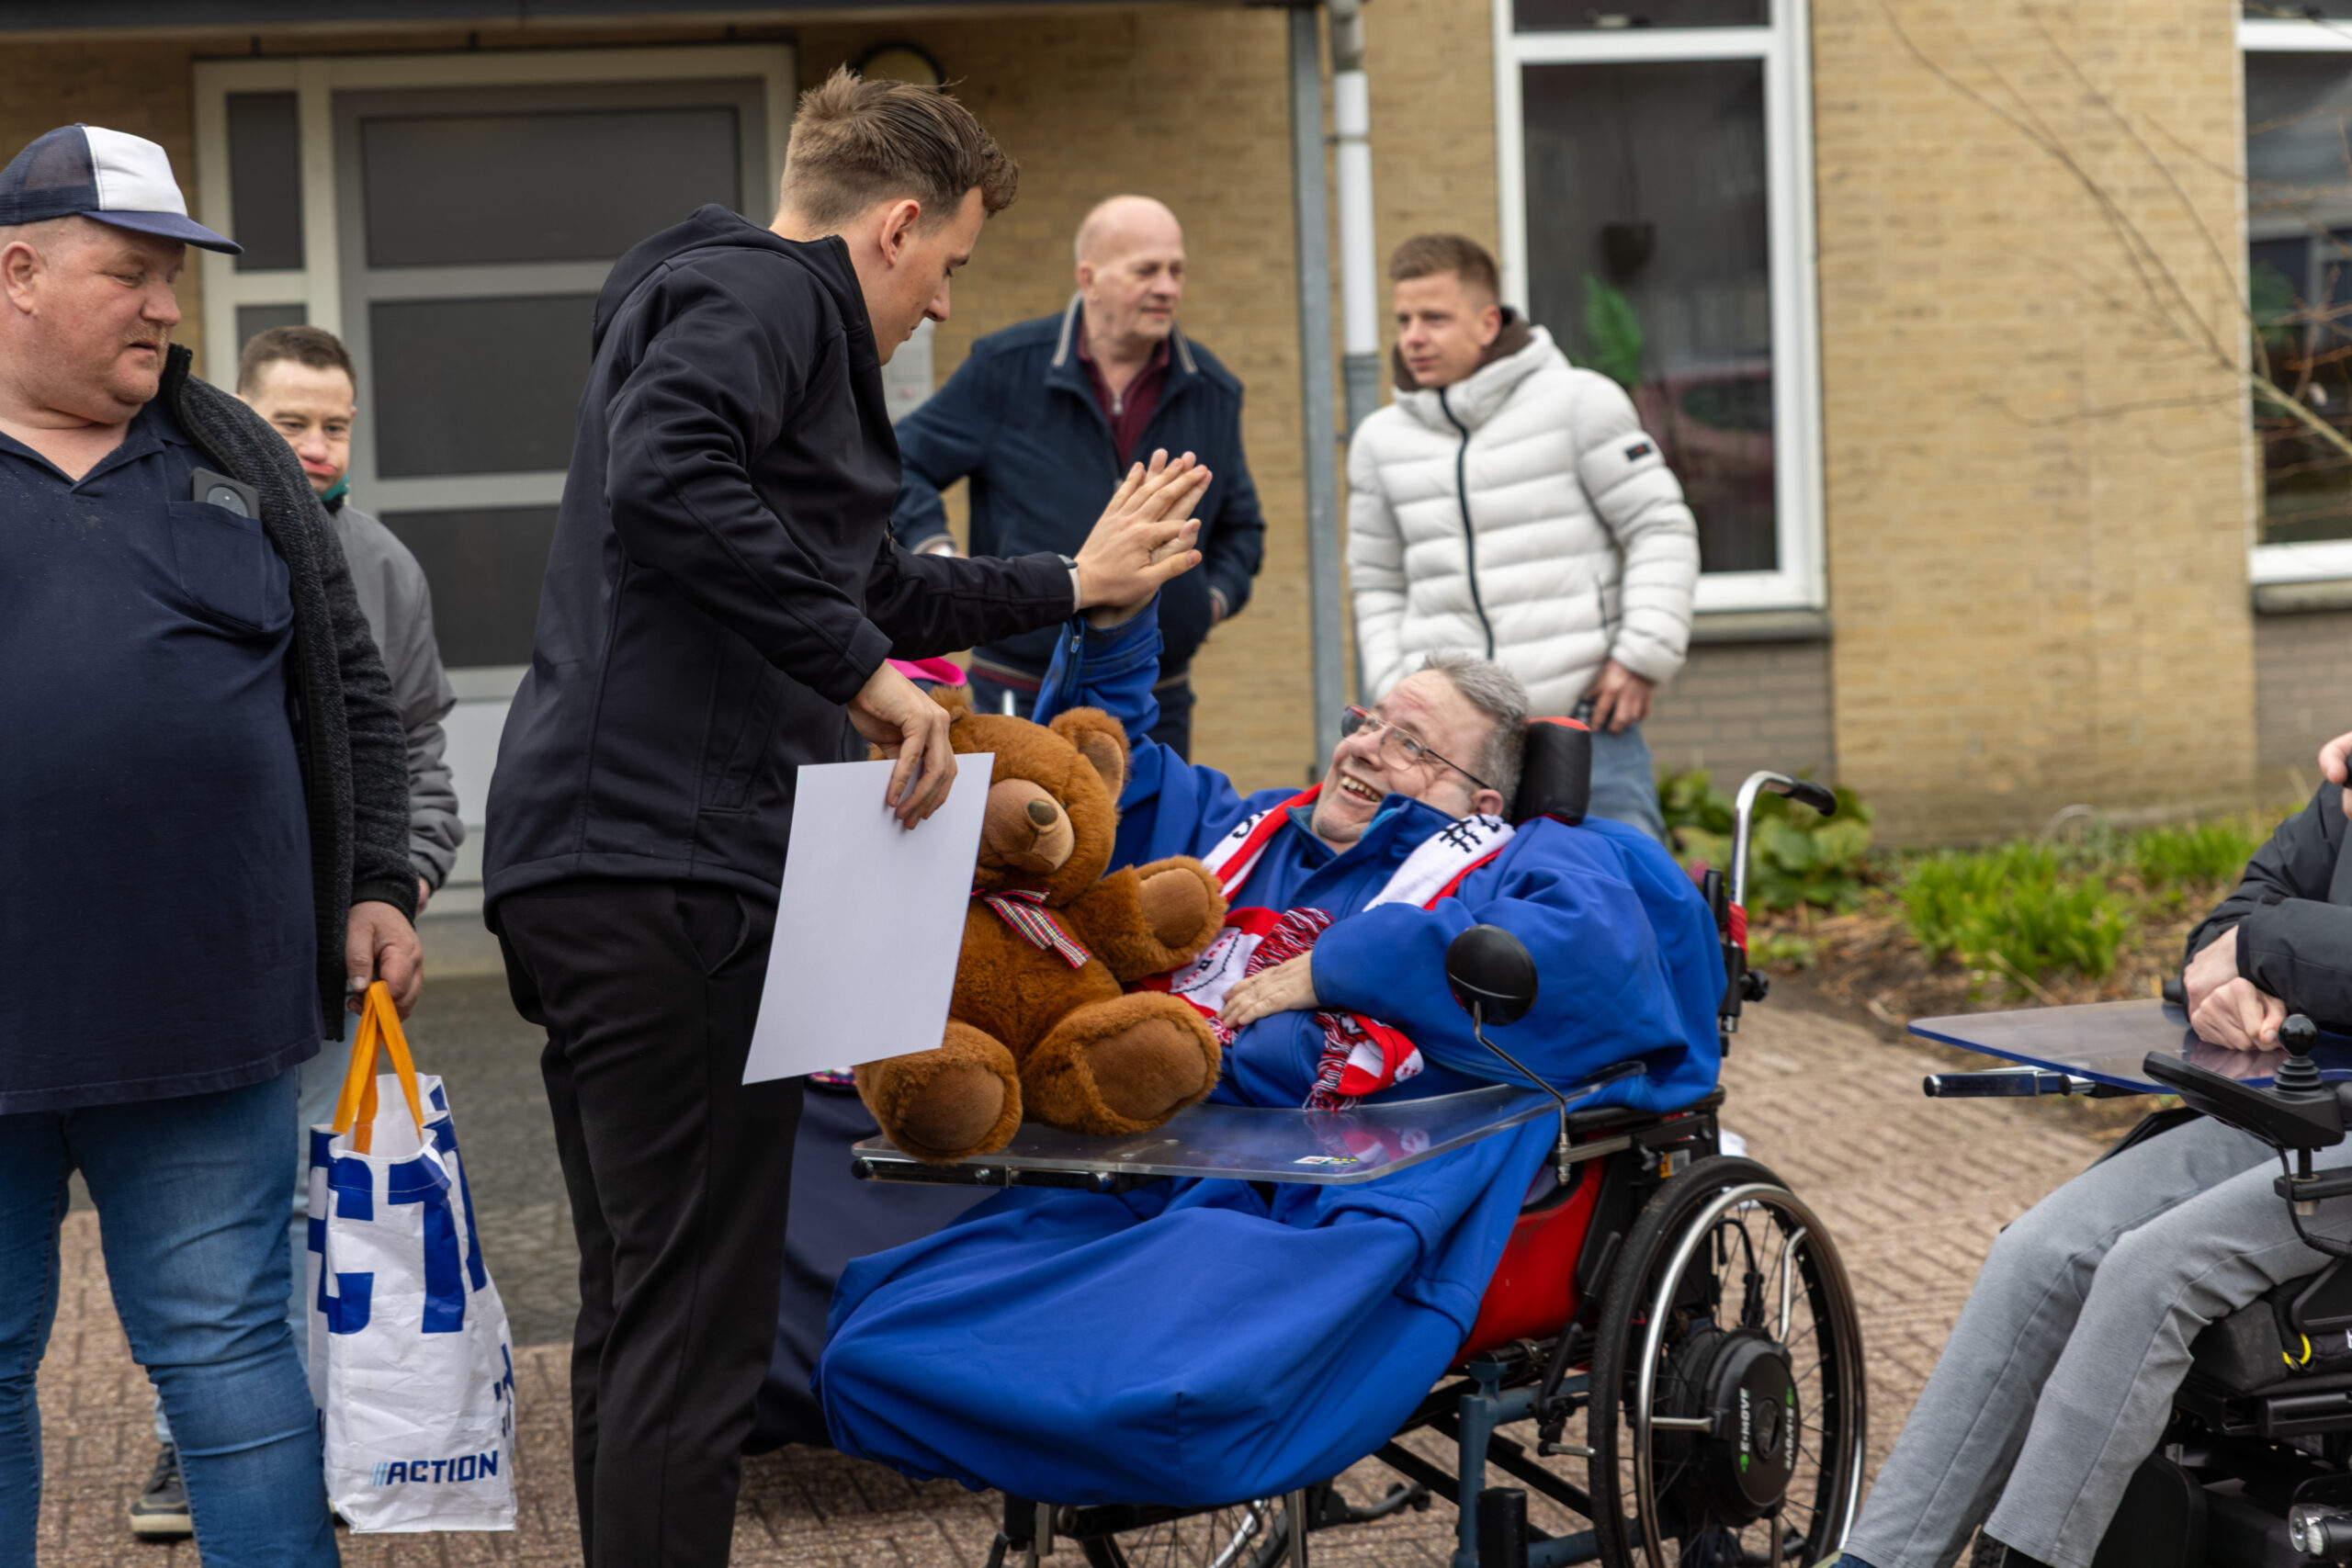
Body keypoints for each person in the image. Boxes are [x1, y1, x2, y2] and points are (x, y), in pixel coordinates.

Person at [481, 71, 1209, 1568]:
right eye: (950, 265)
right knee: (698, 1326)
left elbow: (869, 585)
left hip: (599, 861)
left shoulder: (733, 317)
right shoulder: (769, 297)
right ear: (893, 226)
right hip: (675, 870)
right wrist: (860, 673)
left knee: (646, 1307)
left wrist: (1074, 582)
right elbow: (670, 480)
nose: (943, 304)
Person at [816, 593, 1724, 1505]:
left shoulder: (1526, 858)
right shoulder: (1241, 828)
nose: (1366, 746)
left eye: (1411, 743)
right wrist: (1116, 620)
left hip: (1340, 1205)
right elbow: (1092, 778)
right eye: (1368, 721)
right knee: (880, 1340)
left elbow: (1590, 955)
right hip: (1158, 1179)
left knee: (1168, 1397)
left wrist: (1344, 965)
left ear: (1479, 800)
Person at [0, 125, 420, 1568]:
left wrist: (377, 878)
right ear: (19, 273)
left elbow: (349, 683)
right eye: (130, 273)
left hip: (208, 1014)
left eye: (171, 276)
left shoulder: (233, 452)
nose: (166, 306)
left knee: (230, 1357)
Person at [1824, 781, 2352, 1568]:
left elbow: (2256, 930)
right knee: (2040, 1249)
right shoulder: (2342, 797)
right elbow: (2220, 934)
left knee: (2154, 1270)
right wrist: (2228, 983)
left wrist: (2261, 944)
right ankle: (1880, 1558)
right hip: (2308, 1099)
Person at [130, 323, 464, 1540]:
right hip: (203, 944)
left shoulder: (383, 563)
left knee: (323, 1200)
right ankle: (192, 1442)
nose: (316, 446)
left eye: (336, 425)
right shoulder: (178, 521)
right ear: (237, 418)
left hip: (332, 953)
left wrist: (406, 873)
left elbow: (415, 745)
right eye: (291, 423)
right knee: (212, 1221)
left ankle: (331, 1433)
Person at [1347, 233, 1698, 843]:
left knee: (1620, 887)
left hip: (1584, 725)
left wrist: (1641, 656)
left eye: (1434, 318)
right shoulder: (1380, 441)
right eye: (1403, 320)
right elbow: (1377, 579)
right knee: (1453, 899)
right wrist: (1392, 685)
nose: (1413, 337)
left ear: (1488, 322)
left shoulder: (1581, 402)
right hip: (1446, 751)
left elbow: (1659, 525)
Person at [889, 194, 1265, 759]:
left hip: (1155, 695)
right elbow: (903, 461)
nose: (1167, 287)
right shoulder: (1006, 368)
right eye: (1146, 270)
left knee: (1150, 823)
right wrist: (939, 554)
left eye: (1176, 270)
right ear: (1088, 279)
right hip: (1020, 685)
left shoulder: (1212, 388)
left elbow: (1243, 528)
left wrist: (1205, 603)